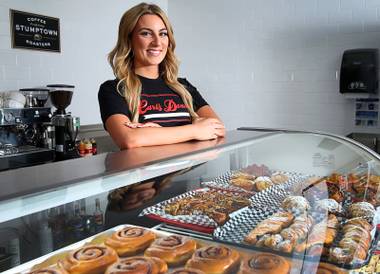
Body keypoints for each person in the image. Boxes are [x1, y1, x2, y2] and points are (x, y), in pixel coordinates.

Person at [98, 2, 225, 149]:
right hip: (149, 173)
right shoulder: (114, 90)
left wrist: (155, 134)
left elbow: (219, 129)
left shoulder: (183, 87)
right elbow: (129, 140)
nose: (157, 42)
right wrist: (195, 128)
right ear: (129, 40)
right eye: (146, 33)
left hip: (194, 171)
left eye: (163, 34)